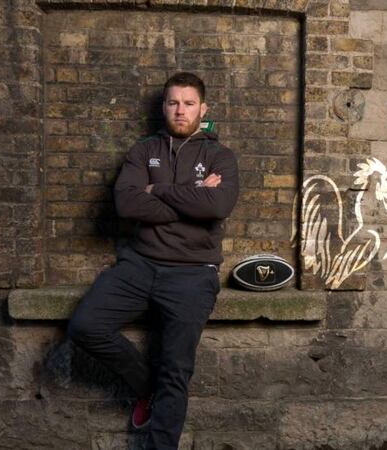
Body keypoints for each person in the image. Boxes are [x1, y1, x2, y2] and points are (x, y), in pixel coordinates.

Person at [67, 72, 239, 450]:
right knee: (85, 325)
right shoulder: (143, 151)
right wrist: (193, 196)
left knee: (176, 368)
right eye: (173, 102)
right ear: (163, 107)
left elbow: (218, 205)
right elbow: (127, 204)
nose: (181, 110)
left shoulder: (220, 156)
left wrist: (157, 190)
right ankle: (149, 387)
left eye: (189, 103)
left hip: (193, 273)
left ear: (203, 109)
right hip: (139, 265)